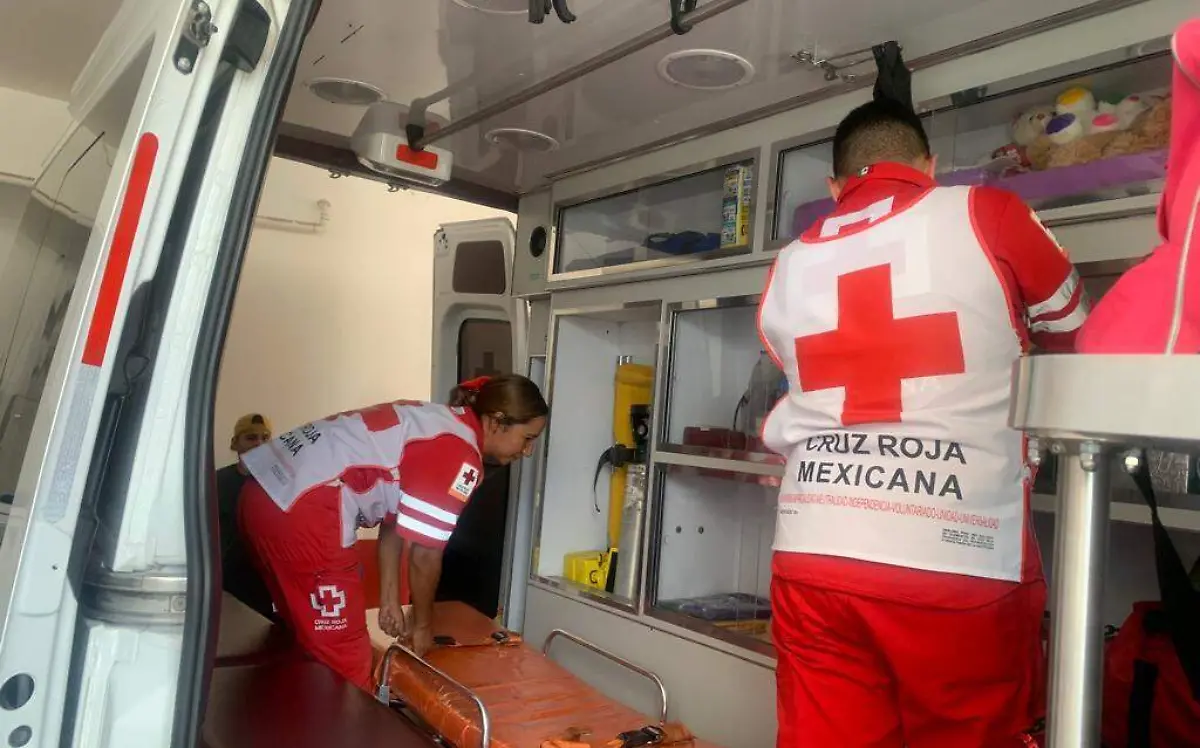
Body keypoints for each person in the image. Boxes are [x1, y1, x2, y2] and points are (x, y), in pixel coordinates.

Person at [757, 98, 1088, 748]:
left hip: (814, 550)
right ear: (929, 166)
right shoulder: (986, 212)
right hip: (958, 556)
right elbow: (1079, 335)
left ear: (835, 185)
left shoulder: (788, 262)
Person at [236, 375, 548, 691]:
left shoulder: (436, 421)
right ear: (497, 422)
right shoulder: (459, 455)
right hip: (303, 511)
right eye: (527, 438)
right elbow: (425, 556)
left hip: (264, 493)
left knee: (304, 635)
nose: (528, 451)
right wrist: (423, 626)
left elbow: (393, 516)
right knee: (347, 665)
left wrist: (389, 600)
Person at [215, 413, 276, 620]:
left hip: (264, 585)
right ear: (235, 443)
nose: (259, 443)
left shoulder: (279, 484)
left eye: (265, 438)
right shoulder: (216, 483)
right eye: (250, 437)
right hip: (225, 585)